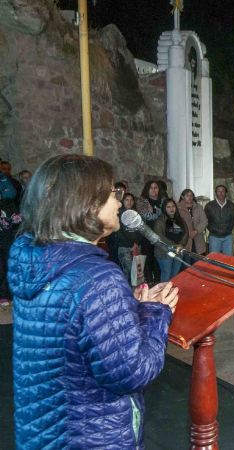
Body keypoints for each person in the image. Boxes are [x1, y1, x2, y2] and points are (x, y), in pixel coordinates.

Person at [9, 154, 178, 448]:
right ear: (87, 204)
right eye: (112, 192)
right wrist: (155, 313)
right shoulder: (96, 277)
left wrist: (127, 309)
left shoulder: (32, 258)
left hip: (44, 431)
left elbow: (74, 338)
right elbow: (131, 372)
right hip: (92, 436)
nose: (117, 201)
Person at [136, 180, 165, 284]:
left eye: (155, 187)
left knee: (158, 258)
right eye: (151, 188)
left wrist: (154, 211)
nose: (153, 190)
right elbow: (147, 216)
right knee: (148, 258)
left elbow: (167, 215)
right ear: (147, 189)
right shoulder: (142, 201)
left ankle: (158, 279)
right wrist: (157, 212)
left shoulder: (163, 200)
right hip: (146, 234)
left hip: (161, 234)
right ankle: (149, 281)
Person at [154, 199, 188, 280]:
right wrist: (174, 246)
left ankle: (171, 292)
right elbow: (159, 237)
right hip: (164, 252)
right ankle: (164, 292)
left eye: (173, 206)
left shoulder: (180, 219)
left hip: (178, 250)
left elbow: (186, 233)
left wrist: (181, 244)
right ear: (164, 208)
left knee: (175, 275)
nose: (171, 208)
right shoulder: (160, 221)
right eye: (168, 207)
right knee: (167, 275)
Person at [114, 193, 143, 284]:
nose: (129, 202)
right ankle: (127, 293)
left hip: (137, 246)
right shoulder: (118, 215)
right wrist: (131, 245)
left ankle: (136, 293)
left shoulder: (137, 214)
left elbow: (141, 230)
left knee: (138, 274)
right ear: (123, 201)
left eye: (131, 200)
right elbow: (118, 233)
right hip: (124, 247)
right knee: (130, 272)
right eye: (127, 200)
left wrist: (136, 243)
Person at [204, 185, 234, 255]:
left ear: (226, 193)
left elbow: (233, 219)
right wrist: (213, 230)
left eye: (223, 191)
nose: (221, 193)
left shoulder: (231, 205)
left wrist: (228, 230)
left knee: (228, 259)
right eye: (219, 191)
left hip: (228, 236)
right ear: (215, 193)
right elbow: (206, 220)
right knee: (214, 259)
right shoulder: (209, 205)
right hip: (214, 237)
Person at [177, 189, 208, 255]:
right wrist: (187, 232)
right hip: (184, 239)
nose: (190, 197)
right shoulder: (177, 208)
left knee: (198, 261)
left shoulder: (199, 207)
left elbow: (204, 221)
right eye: (187, 195)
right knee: (186, 261)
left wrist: (196, 231)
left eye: (191, 195)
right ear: (182, 197)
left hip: (198, 237)